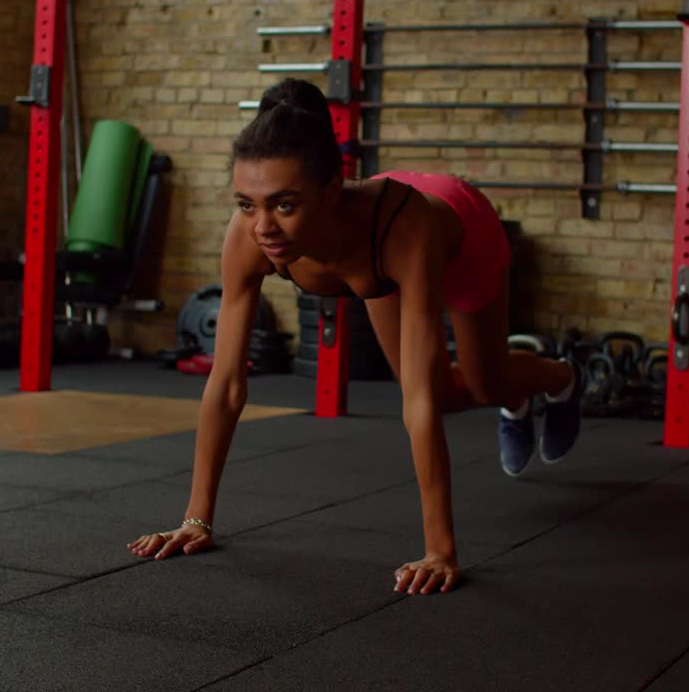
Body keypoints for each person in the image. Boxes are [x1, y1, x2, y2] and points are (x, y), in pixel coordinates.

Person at [128, 79, 582, 595]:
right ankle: (516, 400)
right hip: (378, 261)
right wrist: (197, 521)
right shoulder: (249, 234)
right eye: (247, 203)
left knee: (479, 385)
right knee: (454, 394)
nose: (262, 227)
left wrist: (440, 551)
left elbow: (418, 397)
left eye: (284, 204)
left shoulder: (403, 229)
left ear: (331, 190)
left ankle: (561, 378)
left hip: (457, 233)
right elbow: (227, 382)